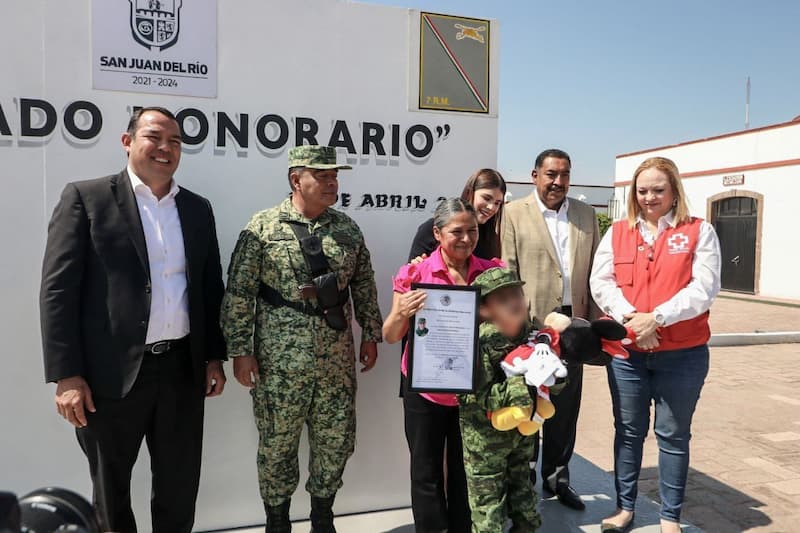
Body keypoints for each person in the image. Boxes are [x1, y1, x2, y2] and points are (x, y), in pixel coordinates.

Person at [39, 107, 228, 533]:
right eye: (155, 137)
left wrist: (213, 357)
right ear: (128, 142)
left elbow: (208, 289)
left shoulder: (197, 209)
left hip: (181, 371)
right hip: (109, 378)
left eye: (176, 142)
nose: (166, 148)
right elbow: (57, 291)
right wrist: (67, 375)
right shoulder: (87, 199)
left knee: (179, 489)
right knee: (110, 494)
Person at [221, 145, 383, 533]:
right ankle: (277, 521)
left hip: (335, 358)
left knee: (335, 439)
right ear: (297, 180)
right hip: (280, 361)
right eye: (322, 176)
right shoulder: (262, 227)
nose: (332, 183)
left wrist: (370, 333)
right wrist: (241, 351)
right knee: (277, 444)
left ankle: (322, 517)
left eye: (334, 176)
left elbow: (363, 282)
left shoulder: (346, 229)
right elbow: (239, 293)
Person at [590, 156, 721, 533]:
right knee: (628, 432)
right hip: (628, 355)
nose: (650, 197)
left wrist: (656, 317)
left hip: (682, 355)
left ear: (674, 191)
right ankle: (625, 508)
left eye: (658, 189)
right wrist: (634, 319)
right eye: (643, 190)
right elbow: (602, 282)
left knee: (673, 435)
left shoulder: (699, 231)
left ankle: (670, 517)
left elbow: (704, 288)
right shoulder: (617, 232)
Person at [383, 198, 503, 533]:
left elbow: (511, 328)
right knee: (426, 472)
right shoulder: (415, 274)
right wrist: (402, 311)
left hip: (472, 392)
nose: (466, 238)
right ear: (437, 233)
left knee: (468, 471)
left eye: (472, 231)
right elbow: (391, 335)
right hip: (425, 391)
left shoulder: (493, 273)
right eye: (457, 232)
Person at [501, 148, 600, 511]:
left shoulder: (587, 215)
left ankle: (558, 477)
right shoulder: (513, 214)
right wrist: (514, 327)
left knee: (565, 405)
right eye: (551, 174)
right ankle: (523, 478)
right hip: (531, 326)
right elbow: (508, 270)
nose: (558, 182)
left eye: (564, 175)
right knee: (529, 405)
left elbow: (595, 273)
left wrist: (597, 328)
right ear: (535, 175)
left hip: (574, 325)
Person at [459, 267, 541, 532]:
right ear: (484, 308)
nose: (514, 302)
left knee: (524, 496)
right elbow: (474, 395)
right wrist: (519, 388)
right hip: (485, 442)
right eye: (503, 299)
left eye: (516, 294)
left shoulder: (532, 333)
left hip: (521, 436)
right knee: (488, 509)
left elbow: (551, 380)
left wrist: (553, 380)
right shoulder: (477, 340)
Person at [408, 168, 506, 261]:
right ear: (469, 193)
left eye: (497, 203)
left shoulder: (491, 238)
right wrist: (417, 268)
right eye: (486, 198)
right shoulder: (431, 228)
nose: (491, 207)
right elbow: (411, 273)